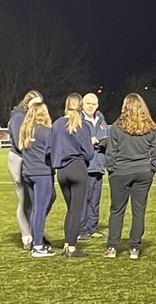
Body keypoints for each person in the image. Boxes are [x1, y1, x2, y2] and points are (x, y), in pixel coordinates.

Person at [104, 92, 156, 259]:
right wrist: (151, 169)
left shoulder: (116, 127)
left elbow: (110, 152)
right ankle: (134, 247)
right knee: (139, 211)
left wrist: (111, 169)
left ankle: (112, 247)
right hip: (143, 172)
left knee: (117, 210)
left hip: (120, 172)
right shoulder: (149, 127)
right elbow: (155, 154)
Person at [50, 93, 94, 257]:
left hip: (61, 171)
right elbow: (89, 153)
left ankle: (67, 244)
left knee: (70, 210)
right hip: (78, 168)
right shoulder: (83, 125)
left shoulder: (57, 124)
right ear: (81, 106)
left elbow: (51, 147)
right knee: (76, 210)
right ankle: (72, 247)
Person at [18, 97, 56, 257]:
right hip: (42, 174)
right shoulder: (45, 132)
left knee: (35, 209)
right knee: (40, 210)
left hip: (28, 173)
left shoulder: (26, 130)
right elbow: (52, 152)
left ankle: (36, 241)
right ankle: (38, 246)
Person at [6, 89, 42, 249]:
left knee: (34, 200)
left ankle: (34, 230)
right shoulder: (18, 118)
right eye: (35, 104)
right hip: (19, 160)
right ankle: (26, 236)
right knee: (24, 199)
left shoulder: (30, 117)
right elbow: (20, 143)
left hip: (28, 159)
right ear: (27, 103)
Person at [80, 92, 109, 238]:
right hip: (85, 165)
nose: (91, 106)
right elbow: (82, 141)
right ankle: (82, 229)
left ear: (97, 105)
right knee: (84, 199)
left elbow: (104, 139)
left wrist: (96, 141)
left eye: (93, 104)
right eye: (88, 104)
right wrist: (92, 141)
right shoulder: (79, 120)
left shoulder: (101, 120)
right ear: (82, 105)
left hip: (99, 165)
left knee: (95, 200)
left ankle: (93, 227)